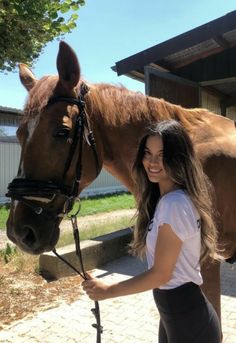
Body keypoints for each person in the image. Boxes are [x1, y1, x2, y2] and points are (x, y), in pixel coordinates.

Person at [82, 119, 221, 343]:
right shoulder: (170, 199)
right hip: (178, 316)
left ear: (178, 158)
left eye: (162, 155)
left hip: (187, 321)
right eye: (147, 153)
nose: (152, 162)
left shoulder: (173, 204)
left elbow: (161, 274)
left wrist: (107, 291)